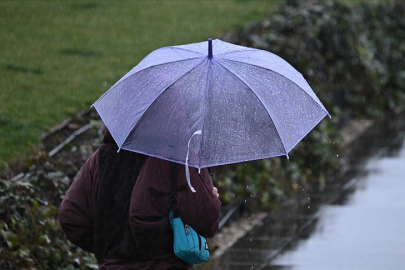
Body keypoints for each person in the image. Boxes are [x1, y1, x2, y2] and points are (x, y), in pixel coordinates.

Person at [59, 129, 221, 269]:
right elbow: (206, 220)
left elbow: (71, 217)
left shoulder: (102, 158)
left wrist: (111, 250)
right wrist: (211, 197)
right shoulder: (178, 158)